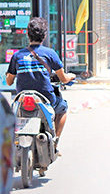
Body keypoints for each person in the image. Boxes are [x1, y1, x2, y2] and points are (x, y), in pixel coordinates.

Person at [6, 17, 76, 146]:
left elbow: (9, 82)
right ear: (44, 36)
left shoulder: (17, 55)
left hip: (22, 99)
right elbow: (63, 79)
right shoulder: (50, 53)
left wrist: (10, 74)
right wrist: (71, 76)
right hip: (46, 99)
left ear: (27, 34)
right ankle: (55, 141)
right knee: (63, 108)